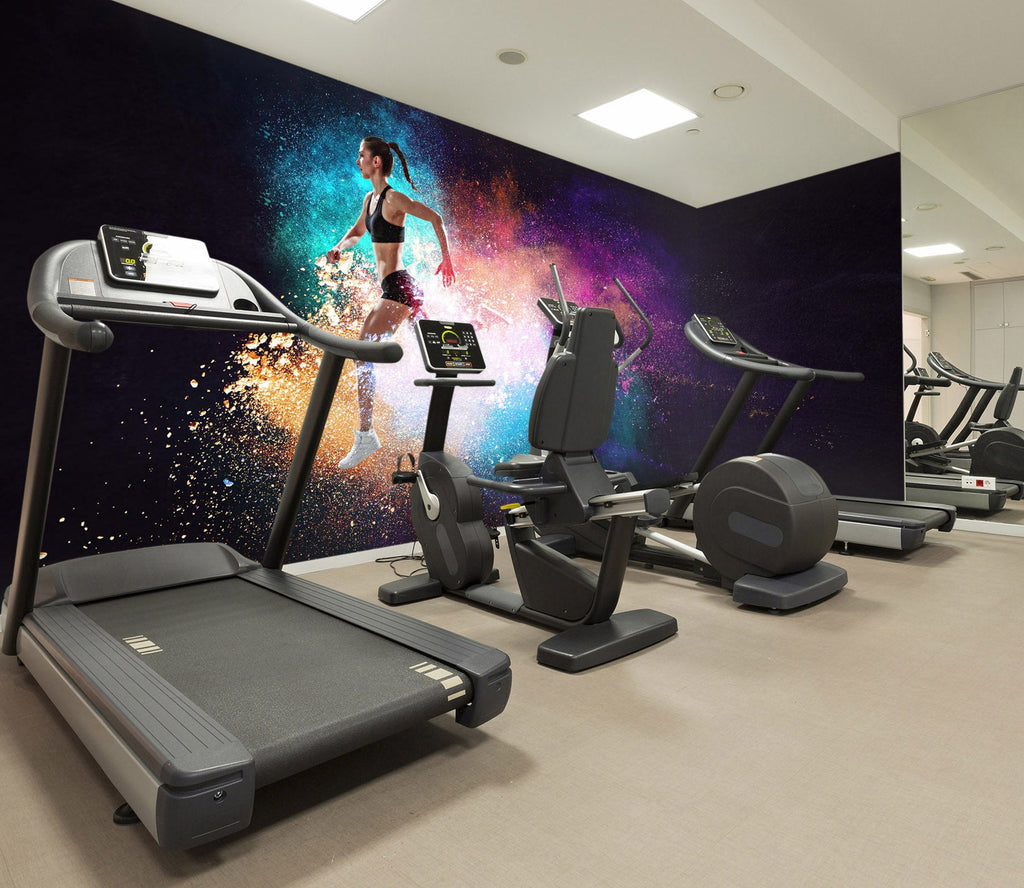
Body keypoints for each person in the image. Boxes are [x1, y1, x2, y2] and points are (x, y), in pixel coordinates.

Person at [326, 136, 455, 469]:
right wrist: (339, 247)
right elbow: (357, 231)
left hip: (400, 288)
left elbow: (436, 218)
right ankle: (482, 326)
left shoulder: (394, 198)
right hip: (401, 288)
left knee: (363, 350)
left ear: (376, 161)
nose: (358, 161)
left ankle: (366, 435)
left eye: (361, 155)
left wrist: (447, 259)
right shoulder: (369, 200)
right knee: (437, 353)